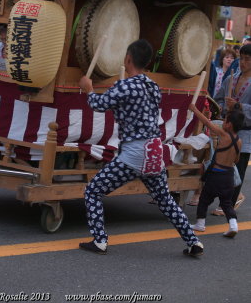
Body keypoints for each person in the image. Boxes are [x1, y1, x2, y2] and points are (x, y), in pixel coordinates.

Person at [78, 39, 204, 257]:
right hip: (155, 150)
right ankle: (193, 241)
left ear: (128, 59)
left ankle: (99, 240)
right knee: (165, 200)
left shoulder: (125, 85)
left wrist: (88, 89)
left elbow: (98, 105)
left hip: (135, 153)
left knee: (93, 191)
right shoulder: (153, 86)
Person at [189, 103, 244, 238]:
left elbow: (208, 123)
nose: (223, 122)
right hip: (228, 176)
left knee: (204, 198)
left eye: (225, 120)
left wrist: (195, 109)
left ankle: (200, 224)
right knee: (226, 203)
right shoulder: (239, 141)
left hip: (216, 175)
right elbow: (236, 160)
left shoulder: (223, 135)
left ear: (229, 125)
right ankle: (233, 225)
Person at [211, 43, 251, 215]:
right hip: (227, 130)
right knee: (224, 166)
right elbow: (218, 99)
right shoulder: (231, 78)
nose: (242, 63)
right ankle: (226, 200)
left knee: (239, 168)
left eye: (247, 60)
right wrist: (220, 108)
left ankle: (228, 204)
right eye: (241, 58)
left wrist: (239, 106)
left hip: (245, 132)